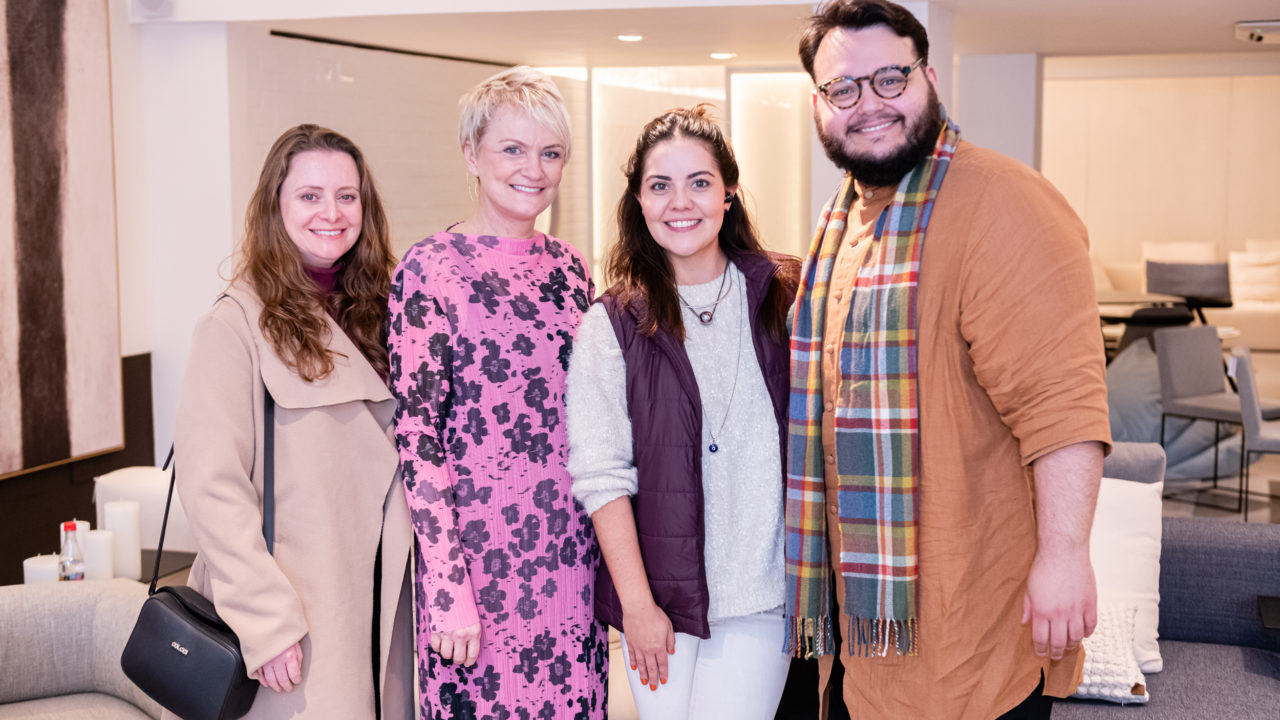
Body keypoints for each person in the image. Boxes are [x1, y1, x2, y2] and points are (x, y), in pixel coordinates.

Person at [784, 2, 1112, 719]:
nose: (868, 104)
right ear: (818, 105)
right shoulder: (841, 222)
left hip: (971, 641)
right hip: (858, 640)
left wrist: (1064, 555)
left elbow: (1062, 405)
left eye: (889, 79)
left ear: (929, 78)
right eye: (844, 89)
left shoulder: (1005, 202)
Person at [566, 105, 800, 719]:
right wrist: (638, 607)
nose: (681, 202)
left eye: (699, 182)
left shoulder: (785, 295)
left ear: (728, 193)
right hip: (660, 602)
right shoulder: (611, 323)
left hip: (761, 594)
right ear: (639, 202)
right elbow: (602, 476)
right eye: (659, 185)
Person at [387, 66, 607, 720]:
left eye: (550, 153)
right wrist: (448, 586)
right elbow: (418, 438)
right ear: (471, 155)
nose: (533, 169)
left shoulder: (570, 269)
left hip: (569, 558)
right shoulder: (429, 269)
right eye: (513, 149)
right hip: (477, 567)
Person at [173, 124, 414, 719]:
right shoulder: (235, 325)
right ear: (275, 206)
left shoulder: (390, 312)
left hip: (388, 608)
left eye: (347, 196)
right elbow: (212, 488)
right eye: (309, 195)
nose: (331, 212)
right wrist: (265, 620)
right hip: (297, 617)